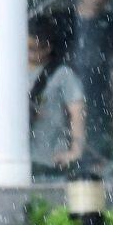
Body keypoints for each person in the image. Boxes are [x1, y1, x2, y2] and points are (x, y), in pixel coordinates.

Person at [57, 0, 113, 167]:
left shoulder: (110, 25)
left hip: (99, 98)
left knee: (97, 155)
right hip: (64, 98)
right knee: (64, 154)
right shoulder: (65, 22)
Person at [28, 14, 86, 179]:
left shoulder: (62, 74)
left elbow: (77, 112)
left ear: (47, 47)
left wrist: (75, 151)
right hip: (20, 157)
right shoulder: (12, 71)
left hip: (50, 158)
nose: (28, 53)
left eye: (32, 48)